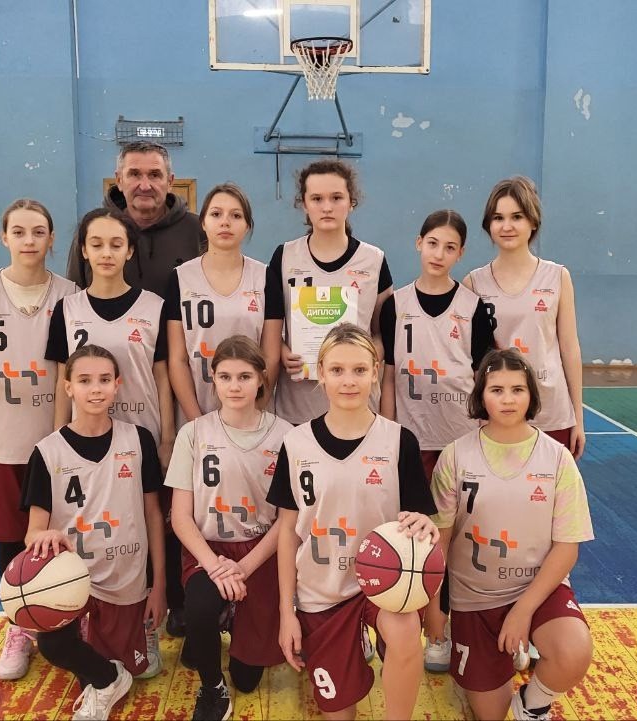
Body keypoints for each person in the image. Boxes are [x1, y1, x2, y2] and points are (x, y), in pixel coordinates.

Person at [268, 323, 440, 721]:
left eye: (360, 370)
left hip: (382, 585)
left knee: (403, 632)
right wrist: (286, 612)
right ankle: (351, 644)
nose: (349, 381)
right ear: (320, 373)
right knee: (339, 714)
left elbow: (421, 522)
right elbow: (288, 534)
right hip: (321, 590)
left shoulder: (399, 441)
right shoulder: (295, 443)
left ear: (375, 372)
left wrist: (424, 527)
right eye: (337, 370)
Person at [425, 348, 594, 721]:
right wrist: (435, 606)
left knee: (573, 652)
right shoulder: (454, 456)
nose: (507, 399)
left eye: (517, 389)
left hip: (536, 589)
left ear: (531, 394)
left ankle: (533, 705)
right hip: (474, 597)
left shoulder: (557, 458)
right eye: (496, 389)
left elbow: (567, 548)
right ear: (481, 395)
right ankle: (500, 652)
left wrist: (523, 610)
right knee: (490, 714)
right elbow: (440, 540)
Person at [46, 207, 174, 674]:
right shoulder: (68, 309)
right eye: (96, 243)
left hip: (140, 440)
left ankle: (147, 622)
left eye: (116, 243)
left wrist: (167, 436)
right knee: (94, 530)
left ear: (129, 250)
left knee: (143, 529)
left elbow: (163, 376)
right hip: (84, 442)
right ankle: (87, 617)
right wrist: (57, 438)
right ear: (83, 250)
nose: (106, 252)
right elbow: (61, 379)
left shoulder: (154, 307)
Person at [0, 198, 76, 681]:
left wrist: (62, 434)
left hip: (52, 440)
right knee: (11, 542)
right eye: (20, 232)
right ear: (4, 237)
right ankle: (18, 628)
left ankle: (71, 619)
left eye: (38, 232)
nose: (29, 240)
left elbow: (69, 368)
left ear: (51, 238)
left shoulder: (68, 294)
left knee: (63, 537)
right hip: (2, 440)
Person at [22, 344, 167, 721]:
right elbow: (33, 531)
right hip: (72, 578)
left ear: (118, 385)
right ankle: (107, 679)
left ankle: (131, 642)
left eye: (104, 380)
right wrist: (42, 538)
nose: (96, 389)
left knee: (141, 669)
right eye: (85, 380)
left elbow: (153, 515)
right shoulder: (47, 452)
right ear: (68, 386)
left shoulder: (138, 440)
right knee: (53, 645)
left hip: (126, 577)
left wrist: (159, 586)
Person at [377, 208, 492, 673]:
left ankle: (450, 632)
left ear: (461, 253)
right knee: (414, 543)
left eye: (450, 247)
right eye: (432, 243)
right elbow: (388, 374)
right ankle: (417, 631)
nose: (439, 254)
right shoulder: (395, 304)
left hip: (460, 441)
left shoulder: (473, 307)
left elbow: (484, 378)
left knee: (456, 543)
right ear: (418, 243)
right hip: (411, 441)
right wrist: (388, 430)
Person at [166, 335, 292, 721]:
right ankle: (212, 686)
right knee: (201, 604)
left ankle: (227, 621)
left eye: (244, 377)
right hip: (208, 549)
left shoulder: (287, 436)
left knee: (248, 678)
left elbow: (288, 520)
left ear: (261, 379)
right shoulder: (193, 433)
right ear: (213, 380)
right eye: (225, 377)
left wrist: (244, 567)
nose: (234, 386)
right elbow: (180, 517)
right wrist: (216, 567)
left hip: (260, 553)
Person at [464, 176, 587, 459]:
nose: (506, 226)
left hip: (551, 412)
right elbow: (471, 361)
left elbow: (570, 349)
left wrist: (578, 418)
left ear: (533, 222)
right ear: (488, 225)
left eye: (517, 217)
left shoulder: (557, 277)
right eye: (498, 218)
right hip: (498, 415)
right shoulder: (473, 283)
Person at [265, 160, 393, 425]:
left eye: (336, 198)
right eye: (317, 198)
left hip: (357, 406)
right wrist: (283, 351)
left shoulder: (374, 260)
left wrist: (364, 359)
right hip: (297, 408)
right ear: (304, 204)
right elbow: (270, 330)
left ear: (351, 202)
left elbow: (383, 334)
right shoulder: (285, 256)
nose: (326, 207)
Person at [165, 183, 280, 423]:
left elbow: (270, 356)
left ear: (247, 225)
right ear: (203, 222)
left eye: (236, 215)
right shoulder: (180, 278)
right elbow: (177, 359)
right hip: (196, 413)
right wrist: (197, 422)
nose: (225, 222)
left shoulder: (264, 277)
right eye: (216, 214)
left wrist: (254, 412)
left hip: (252, 415)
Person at [66, 141, 203, 295]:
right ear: (119, 180)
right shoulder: (92, 230)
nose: (145, 186)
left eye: (154, 175)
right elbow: (75, 296)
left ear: (170, 182)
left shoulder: (199, 230)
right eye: (134, 174)